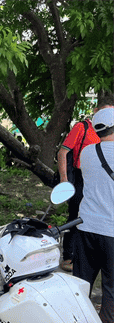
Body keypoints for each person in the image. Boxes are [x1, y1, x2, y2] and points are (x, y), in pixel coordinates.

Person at [57, 95, 114, 272]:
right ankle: (68, 257)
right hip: (82, 177)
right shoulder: (82, 127)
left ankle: (91, 258)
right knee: (76, 216)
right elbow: (63, 152)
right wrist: (64, 180)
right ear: (96, 112)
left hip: (100, 178)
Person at [72, 107, 114, 323]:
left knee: (81, 284)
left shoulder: (88, 153)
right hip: (111, 230)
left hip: (85, 226)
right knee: (111, 288)